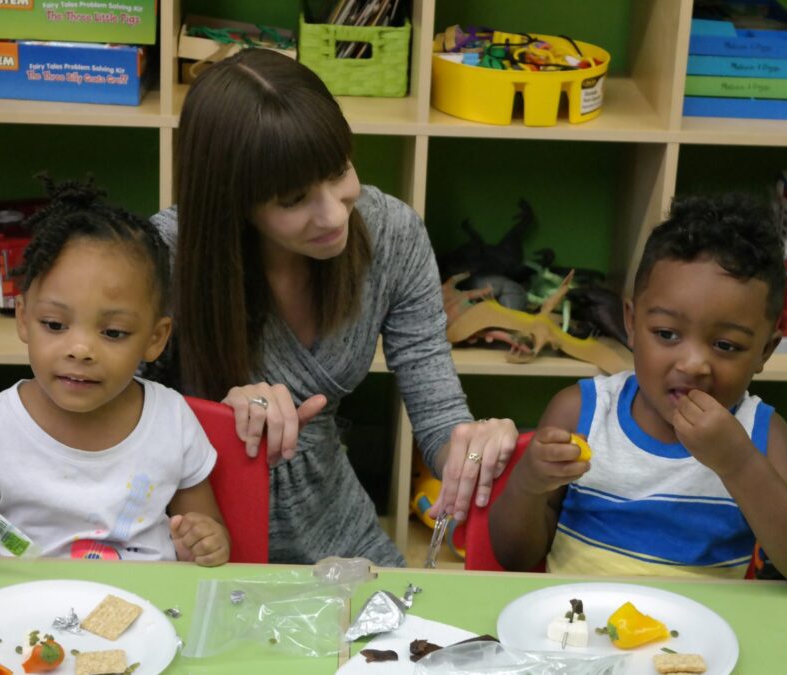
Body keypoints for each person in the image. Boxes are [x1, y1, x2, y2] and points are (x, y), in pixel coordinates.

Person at [151, 49, 518, 566]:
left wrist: (473, 448)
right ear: (232, 200)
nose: (333, 213)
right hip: (189, 543)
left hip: (337, 532)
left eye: (340, 170)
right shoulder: (164, 253)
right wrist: (211, 419)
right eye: (293, 199)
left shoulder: (392, 233)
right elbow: (108, 413)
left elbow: (437, 414)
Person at [489, 194, 787, 595]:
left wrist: (739, 464)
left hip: (702, 645)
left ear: (765, 351)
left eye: (726, 345)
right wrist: (528, 484)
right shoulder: (582, 413)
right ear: (631, 323)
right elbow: (512, 557)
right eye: (666, 334)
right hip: (580, 632)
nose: (693, 364)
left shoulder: (760, 435)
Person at [0, 177, 230, 566]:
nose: (80, 350)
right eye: (54, 325)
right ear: (23, 318)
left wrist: (205, 543)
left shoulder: (172, 419)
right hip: (28, 617)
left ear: (156, 337)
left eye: (113, 332)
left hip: (144, 615)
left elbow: (203, 528)